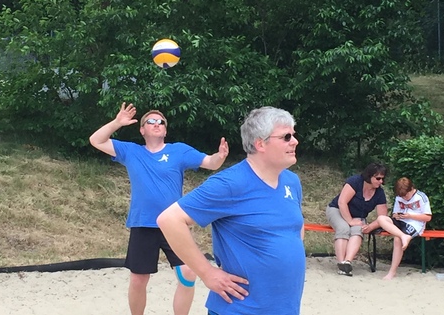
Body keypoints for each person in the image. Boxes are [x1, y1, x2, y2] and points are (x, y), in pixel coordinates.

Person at [157, 106, 305, 315]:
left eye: (294, 135)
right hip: (239, 309)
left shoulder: (291, 181)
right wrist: (207, 273)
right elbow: (170, 220)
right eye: (286, 136)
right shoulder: (230, 183)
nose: (294, 141)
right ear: (260, 143)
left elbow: (294, 230)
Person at [89, 102, 229, 315]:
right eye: (150, 121)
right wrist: (117, 122)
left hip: (174, 224)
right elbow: (96, 140)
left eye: (160, 121)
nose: (156, 124)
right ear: (142, 130)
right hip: (143, 222)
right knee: (138, 279)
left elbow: (211, 163)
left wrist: (220, 156)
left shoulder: (179, 151)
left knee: (188, 273)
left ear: (165, 129)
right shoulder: (131, 151)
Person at [326, 162, 388, 276]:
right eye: (378, 178)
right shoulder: (355, 182)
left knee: (358, 230)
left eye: (382, 179)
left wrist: (370, 227)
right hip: (337, 210)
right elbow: (342, 202)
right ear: (369, 176)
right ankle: (341, 263)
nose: (381, 182)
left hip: (358, 216)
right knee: (343, 228)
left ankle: (347, 262)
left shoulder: (379, 193)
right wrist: (350, 221)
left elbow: (382, 216)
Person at [376, 177, 432, 280]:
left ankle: (392, 272)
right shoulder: (399, 196)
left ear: (411, 188)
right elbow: (394, 213)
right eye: (402, 196)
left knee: (397, 240)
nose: (405, 198)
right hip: (401, 221)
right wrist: (396, 215)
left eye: (406, 195)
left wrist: (410, 216)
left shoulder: (421, 197)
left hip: (415, 224)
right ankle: (403, 236)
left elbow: (428, 217)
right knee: (381, 219)